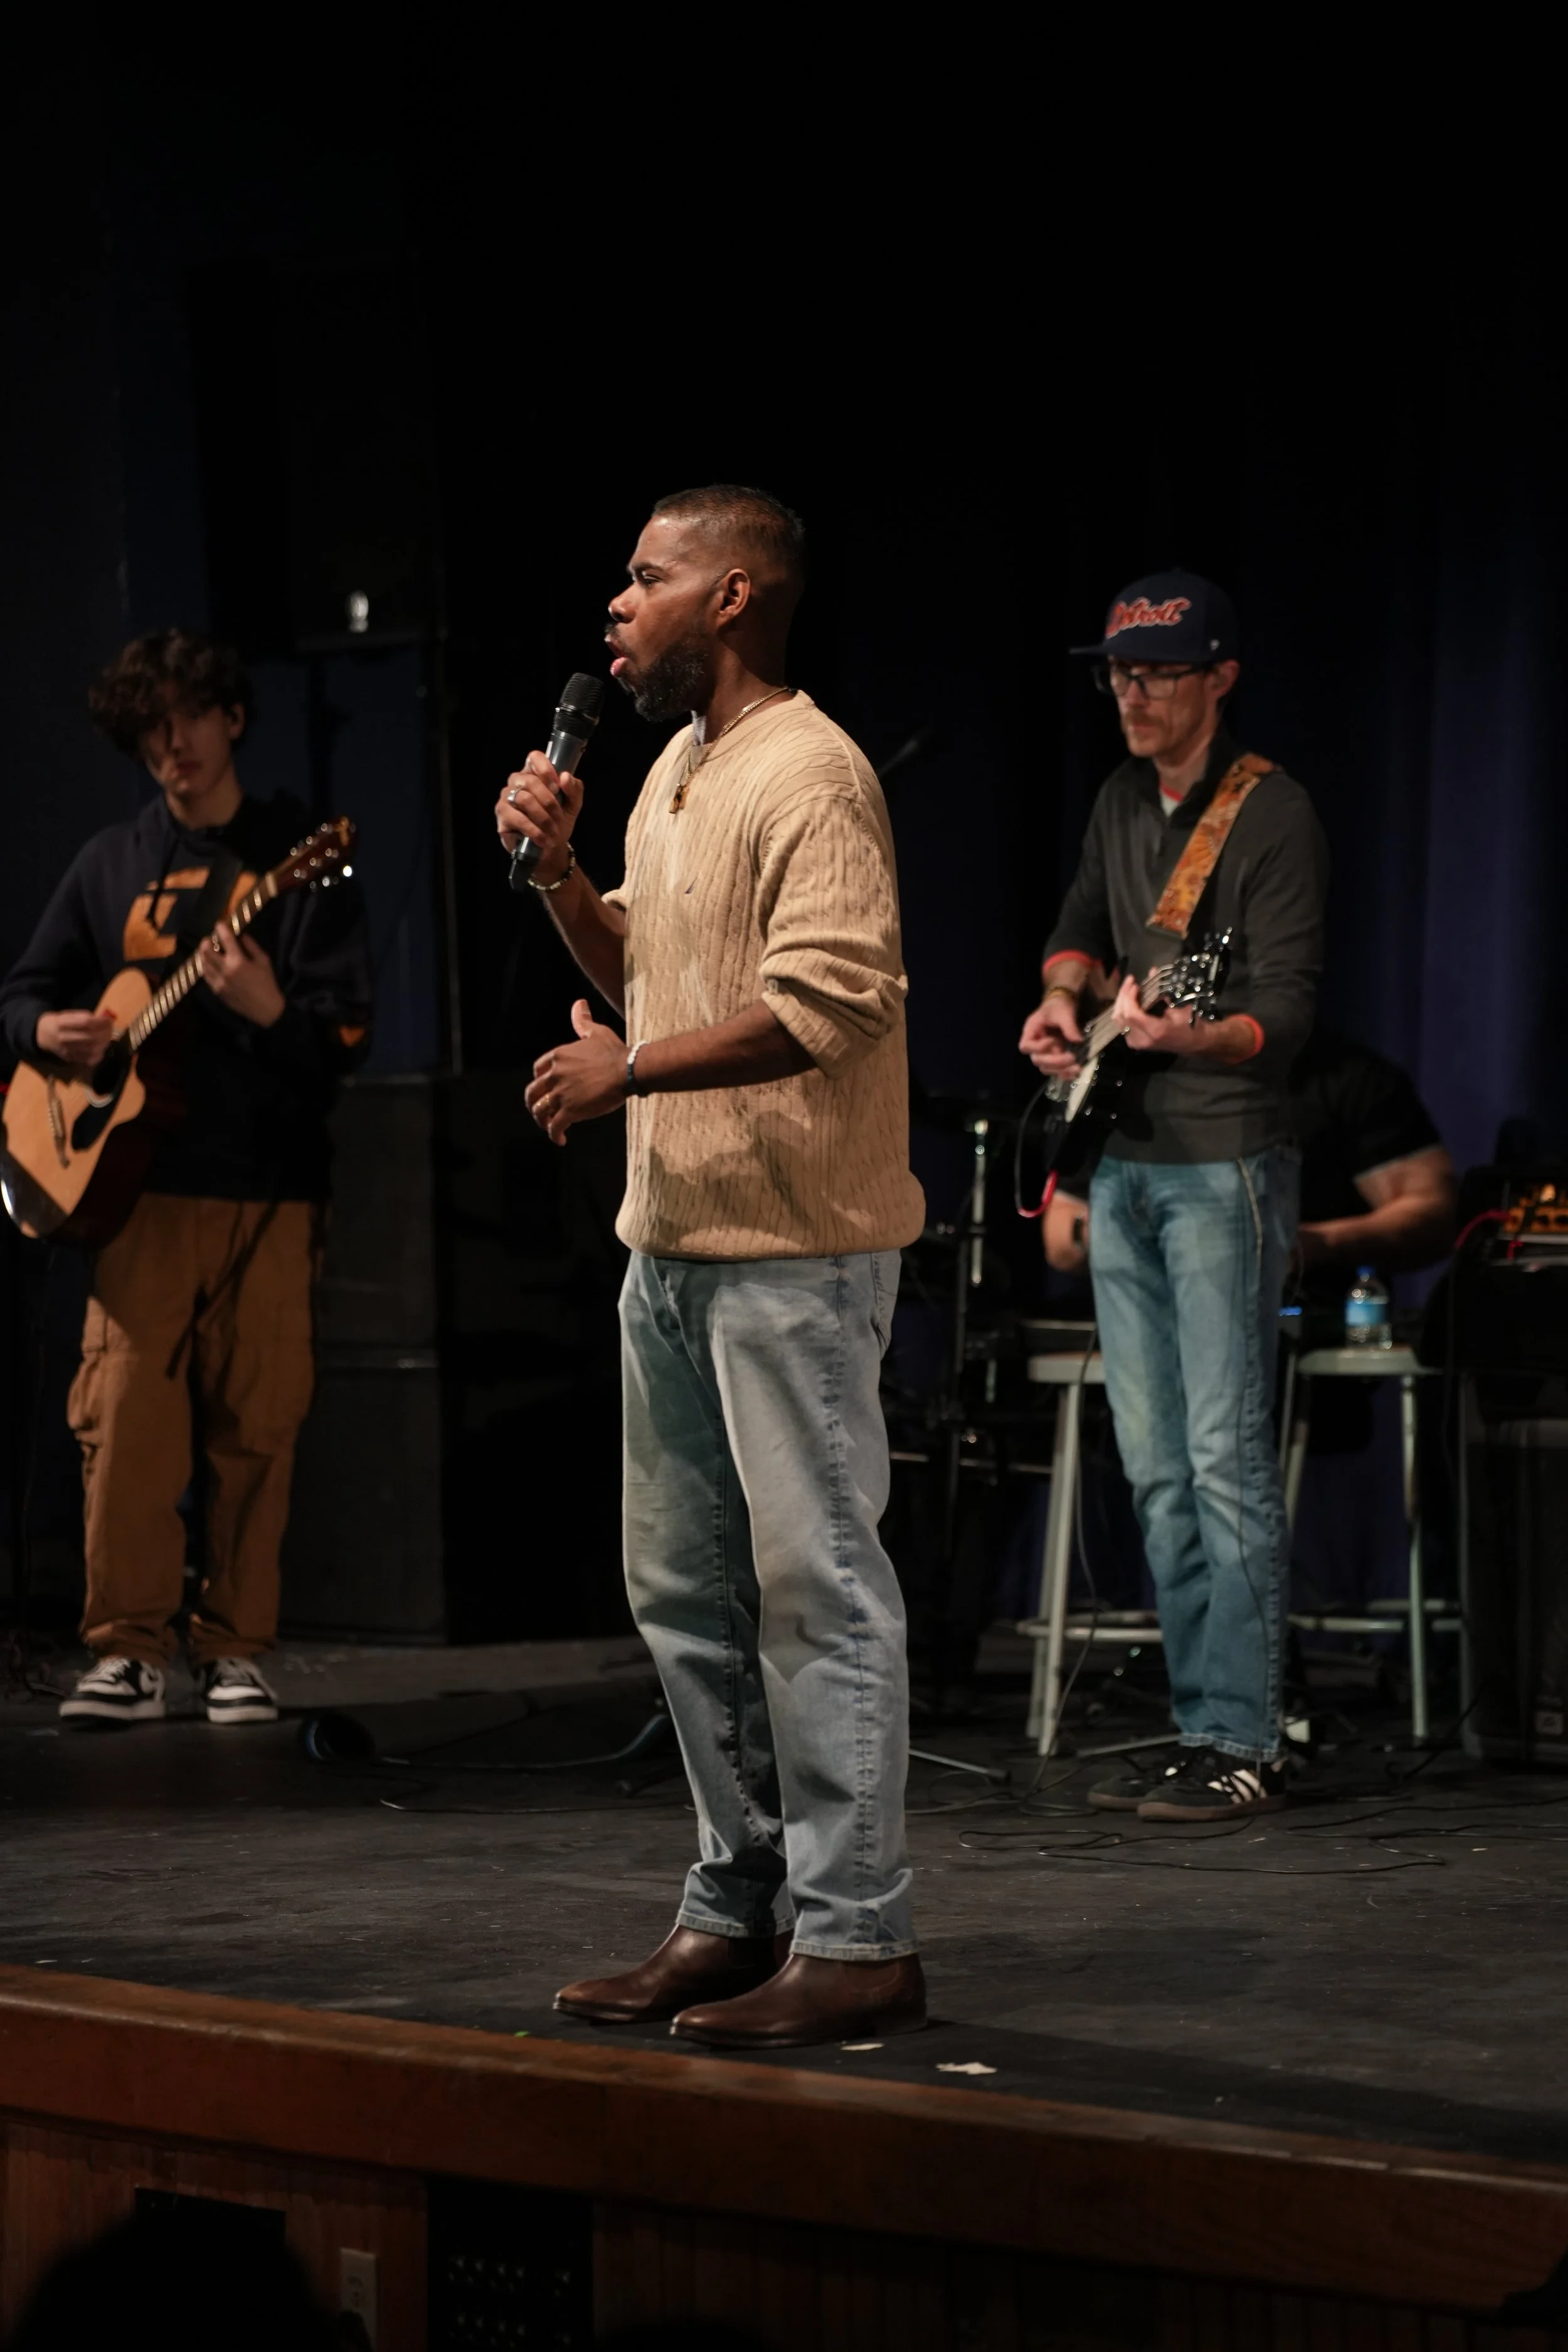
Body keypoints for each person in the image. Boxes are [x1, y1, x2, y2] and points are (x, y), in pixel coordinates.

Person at [494, 485, 926, 2050]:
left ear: (731, 596)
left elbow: (827, 1003)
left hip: (795, 1252)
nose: (616, 603)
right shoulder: (675, 766)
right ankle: (737, 1907)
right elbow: (646, 969)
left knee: (817, 1593)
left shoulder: (812, 771)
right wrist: (560, 876)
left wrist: (628, 1072)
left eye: (646, 576)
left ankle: (859, 1934)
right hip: (670, 1246)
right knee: (682, 1593)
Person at [0, 630, 372, 1727]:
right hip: (139, 1195)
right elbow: (25, 990)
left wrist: (269, 1011)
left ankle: (233, 1648)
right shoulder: (110, 861)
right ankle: (125, 1649)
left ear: (232, 717)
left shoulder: (299, 857)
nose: (174, 745)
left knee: (257, 1423)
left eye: (191, 718)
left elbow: (345, 1040)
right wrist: (46, 1032)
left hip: (268, 1189)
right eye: (152, 729)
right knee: (124, 1422)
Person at [1019, 570, 1328, 1820]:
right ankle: (1201, 1724)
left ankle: (1245, 1737)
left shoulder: (1271, 813)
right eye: (1119, 674)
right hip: (1126, 1160)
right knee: (1153, 1467)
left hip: (1223, 1161)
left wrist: (1189, 1036)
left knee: (1222, 1457)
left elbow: (1284, 1015)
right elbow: (1080, 925)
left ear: (1219, 679)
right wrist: (1060, 1003)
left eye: (1156, 674)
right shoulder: (1115, 799)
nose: (1131, 695)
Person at [1044, 1028, 1458, 1295]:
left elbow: (1434, 1212)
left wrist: (1311, 1244)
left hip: (1304, 1328)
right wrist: (1132, 1238)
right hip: (1154, 1324)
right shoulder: (1133, 1085)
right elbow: (1061, 1234)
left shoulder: (1347, 1077)